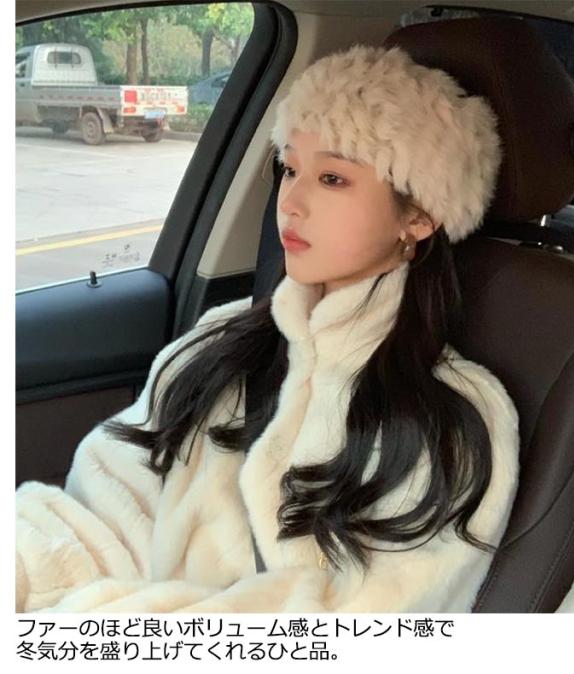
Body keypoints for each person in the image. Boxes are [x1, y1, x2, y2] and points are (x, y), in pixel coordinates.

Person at [16, 43, 520, 613]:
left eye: (332, 178)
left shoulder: (453, 424)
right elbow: (94, 517)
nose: (291, 202)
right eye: (291, 169)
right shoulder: (219, 342)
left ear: (419, 216)